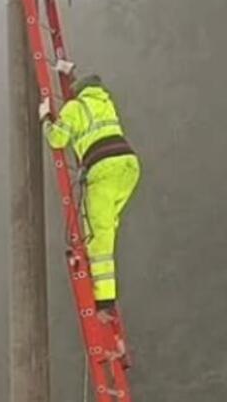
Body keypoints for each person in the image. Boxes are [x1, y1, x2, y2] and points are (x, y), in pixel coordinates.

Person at [38, 74, 139, 322]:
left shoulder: (75, 107)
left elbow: (57, 139)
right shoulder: (105, 102)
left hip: (103, 169)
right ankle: (106, 298)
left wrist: (46, 118)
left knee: (98, 239)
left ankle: (104, 304)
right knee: (107, 226)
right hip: (128, 166)